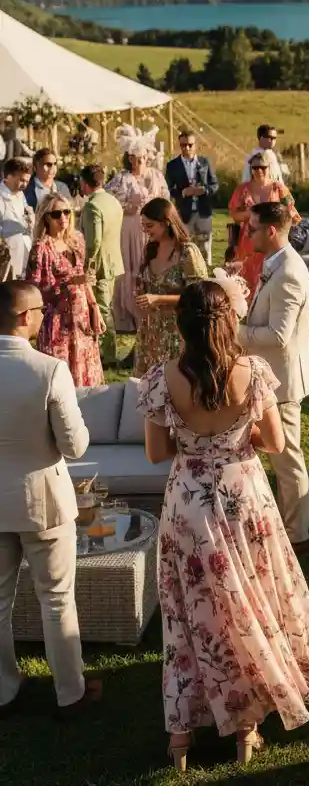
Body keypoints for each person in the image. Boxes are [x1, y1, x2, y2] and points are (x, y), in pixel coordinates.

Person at [139, 278, 309, 771]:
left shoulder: (162, 378)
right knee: (246, 602)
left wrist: (195, 441)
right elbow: (274, 443)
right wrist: (236, 435)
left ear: (181, 325)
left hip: (188, 503)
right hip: (242, 497)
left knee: (187, 616)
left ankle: (180, 737)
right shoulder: (253, 371)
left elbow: (156, 452)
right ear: (229, 320)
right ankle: (247, 727)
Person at [0, 281, 100, 719]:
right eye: (41, 309)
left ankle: (3, 690)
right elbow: (75, 446)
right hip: (41, 500)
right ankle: (70, 692)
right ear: (25, 316)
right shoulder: (49, 369)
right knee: (57, 598)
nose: (44, 316)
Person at [237, 202, 309, 548]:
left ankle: (296, 535)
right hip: (271, 375)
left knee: (287, 461)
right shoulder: (276, 263)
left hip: (281, 381)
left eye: (252, 228)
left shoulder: (289, 273)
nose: (247, 233)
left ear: (271, 231)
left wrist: (234, 331)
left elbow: (278, 335)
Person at [26, 195, 104, 388]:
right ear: (46, 217)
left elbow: (83, 278)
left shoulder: (76, 240)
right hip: (57, 320)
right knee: (60, 375)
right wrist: (69, 282)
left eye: (67, 212)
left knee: (85, 367)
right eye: (56, 214)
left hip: (81, 317)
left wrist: (95, 308)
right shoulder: (41, 248)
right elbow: (35, 290)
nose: (63, 218)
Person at [106, 125, 170, 333]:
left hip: (154, 229)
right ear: (130, 158)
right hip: (130, 228)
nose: (140, 160)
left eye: (143, 156)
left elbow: (166, 200)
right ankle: (127, 315)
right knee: (129, 268)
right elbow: (109, 201)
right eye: (135, 157)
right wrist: (127, 208)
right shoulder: (122, 179)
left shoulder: (156, 177)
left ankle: (151, 312)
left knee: (149, 266)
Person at [133, 199, 208, 376]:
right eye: (143, 226)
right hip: (150, 330)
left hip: (177, 331)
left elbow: (199, 295)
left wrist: (159, 299)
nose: (145, 230)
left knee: (173, 382)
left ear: (166, 222)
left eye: (149, 225)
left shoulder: (187, 252)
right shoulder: (151, 249)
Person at [228, 150, 297, 296]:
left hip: (273, 239)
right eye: (255, 168)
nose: (259, 171)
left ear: (269, 168)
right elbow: (234, 214)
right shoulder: (242, 189)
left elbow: (292, 213)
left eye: (262, 167)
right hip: (249, 240)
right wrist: (248, 214)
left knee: (271, 275)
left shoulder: (279, 189)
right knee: (246, 278)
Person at [78, 165, 124, 368]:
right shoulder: (113, 200)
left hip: (100, 266)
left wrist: (87, 266)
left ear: (84, 183)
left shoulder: (92, 206)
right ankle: (102, 350)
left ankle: (109, 354)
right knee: (105, 307)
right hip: (113, 260)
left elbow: (94, 241)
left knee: (102, 309)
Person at [165, 129, 219, 266]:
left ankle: (205, 275)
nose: (187, 148)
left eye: (190, 145)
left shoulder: (204, 162)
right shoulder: (172, 165)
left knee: (205, 248)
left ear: (195, 145)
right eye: (183, 145)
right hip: (184, 213)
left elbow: (214, 185)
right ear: (179, 145)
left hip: (203, 211)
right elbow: (167, 189)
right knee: (185, 248)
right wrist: (183, 193)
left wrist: (204, 190)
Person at [0, 157, 33, 278]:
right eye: (21, 180)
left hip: (25, 248)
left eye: (27, 181)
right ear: (8, 177)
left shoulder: (20, 194)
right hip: (8, 253)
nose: (24, 184)